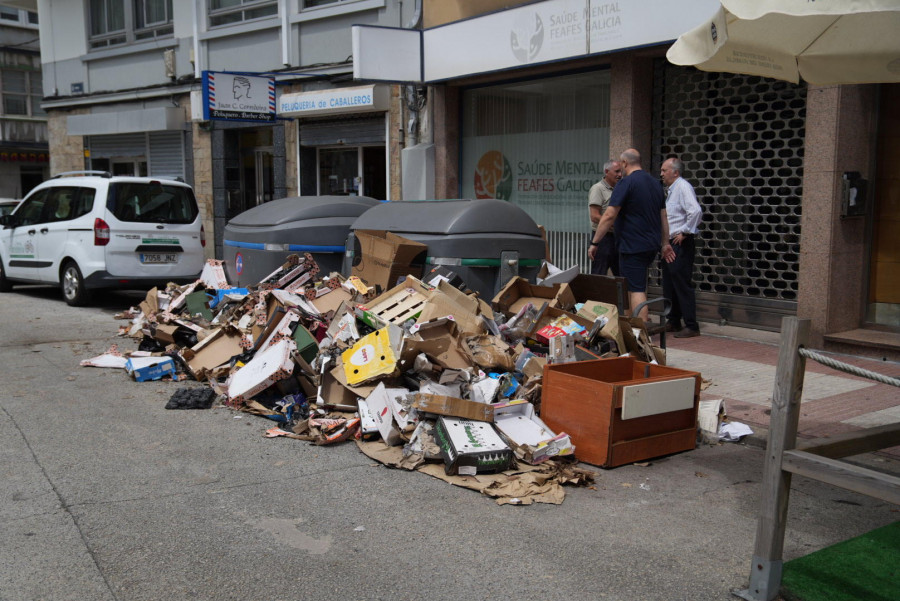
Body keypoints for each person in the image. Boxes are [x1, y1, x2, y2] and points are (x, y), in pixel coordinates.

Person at [589, 149, 674, 321]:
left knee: (635, 290)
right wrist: (665, 243)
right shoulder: (655, 184)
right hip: (651, 244)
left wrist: (595, 242)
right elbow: (663, 216)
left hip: (632, 245)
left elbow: (609, 215)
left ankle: (639, 333)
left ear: (625, 163)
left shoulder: (626, 183)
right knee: (631, 286)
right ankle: (630, 327)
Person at [660, 157, 703, 338]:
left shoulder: (683, 186)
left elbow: (695, 211)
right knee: (670, 283)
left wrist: (685, 232)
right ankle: (674, 320)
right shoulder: (671, 190)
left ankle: (691, 325)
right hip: (669, 243)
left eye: (664, 170)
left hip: (680, 243)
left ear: (675, 172)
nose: (661, 174)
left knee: (682, 283)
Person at [587, 159, 622, 276]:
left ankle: (622, 295)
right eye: (617, 172)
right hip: (603, 238)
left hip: (617, 237)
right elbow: (594, 216)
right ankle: (595, 295)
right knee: (599, 274)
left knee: (621, 275)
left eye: (621, 171)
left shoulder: (620, 188)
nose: (620, 175)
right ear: (607, 172)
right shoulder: (598, 189)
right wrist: (611, 223)